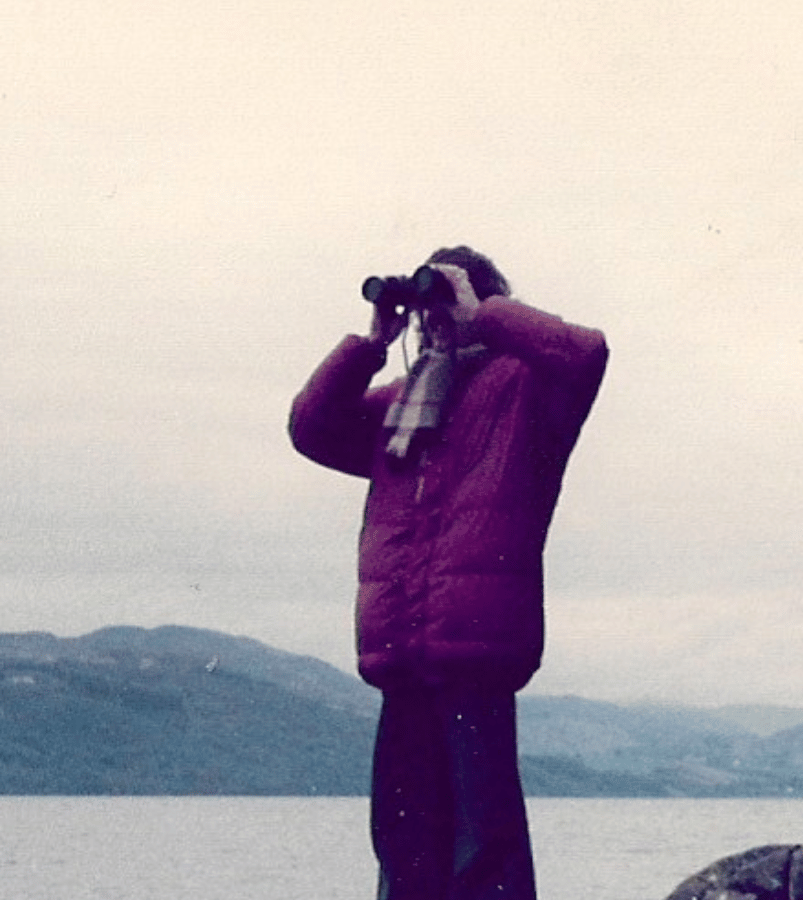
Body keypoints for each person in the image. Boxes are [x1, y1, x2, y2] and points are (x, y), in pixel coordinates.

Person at [288, 246, 608, 900]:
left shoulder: (526, 393)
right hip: (402, 656)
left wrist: (484, 313)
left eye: (443, 303)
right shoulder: (399, 409)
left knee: (482, 845)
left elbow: (586, 352)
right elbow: (311, 428)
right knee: (403, 842)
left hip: (476, 654)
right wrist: (373, 341)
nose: (433, 320)